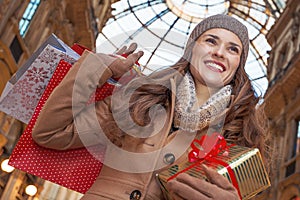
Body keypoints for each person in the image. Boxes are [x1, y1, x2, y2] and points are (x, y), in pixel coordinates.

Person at [32, 14, 269, 200]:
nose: (219, 52)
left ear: (238, 64)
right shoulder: (139, 98)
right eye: (210, 41)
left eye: (233, 49)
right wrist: (96, 68)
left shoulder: (241, 134)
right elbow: (51, 133)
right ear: (191, 49)